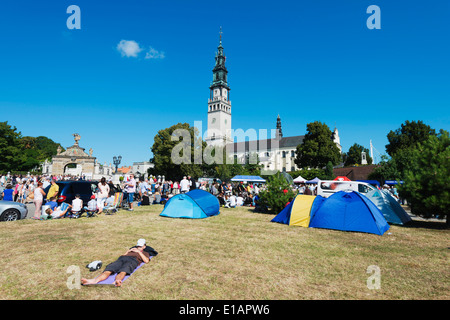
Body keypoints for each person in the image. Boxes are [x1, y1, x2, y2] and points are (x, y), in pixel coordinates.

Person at [81, 239, 151, 287]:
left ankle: (117, 281)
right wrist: (129, 251)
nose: (139, 247)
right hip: (121, 259)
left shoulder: (145, 253)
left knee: (123, 271)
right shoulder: (132, 250)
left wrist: (139, 252)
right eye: (138, 246)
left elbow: (146, 261)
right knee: (108, 270)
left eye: (140, 246)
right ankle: (94, 281)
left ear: (144, 246)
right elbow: (122, 255)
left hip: (133, 261)